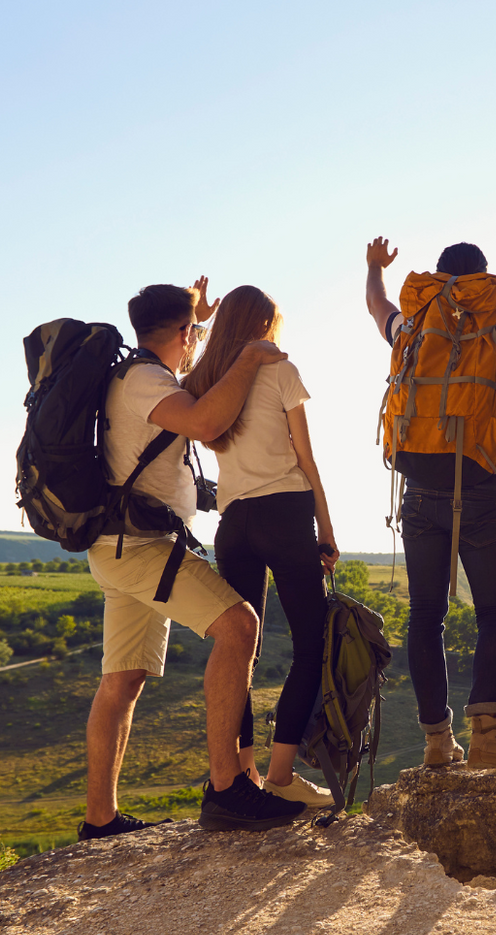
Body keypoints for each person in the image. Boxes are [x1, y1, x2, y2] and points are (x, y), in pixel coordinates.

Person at [80, 279, 307, 837]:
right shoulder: (145, 381)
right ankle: (228, 789)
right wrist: (252, 354)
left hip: (117, 546)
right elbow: (207, 421)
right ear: (178, 333)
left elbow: (192, 377)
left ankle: (99, 820)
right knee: (239, 626)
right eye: (191, 334)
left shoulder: (134, 375)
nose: (195, 342)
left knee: (121, 680)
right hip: (142, 548)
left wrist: (200, 319)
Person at [364, 238, 496, 770]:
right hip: (482, 488)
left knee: (425, 615)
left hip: (418, 491)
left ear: (438, 279)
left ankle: (438, 742)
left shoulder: (413, 328)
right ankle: (488, 735)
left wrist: (374, 266)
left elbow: (378, 307)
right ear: (483, 281)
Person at [183, 284, 339, 811]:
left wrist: (199, 320)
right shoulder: (280, 373)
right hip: (286, 514)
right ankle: (281, 774)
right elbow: (307, 459)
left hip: (234, 523)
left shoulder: (207, 382)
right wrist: (327, 528)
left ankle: (243, 773)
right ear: (264, 326)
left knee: (238, 651)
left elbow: (185, 362)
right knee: (310, 645)